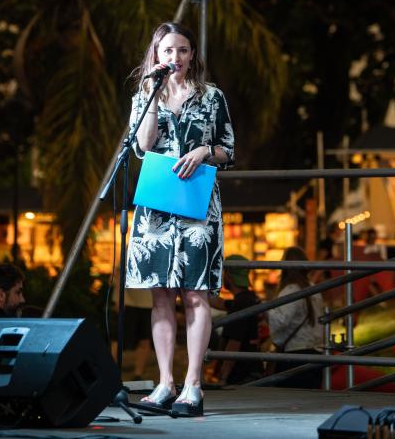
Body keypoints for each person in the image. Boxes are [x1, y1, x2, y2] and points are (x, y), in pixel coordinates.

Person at [126, 22, 235, 417]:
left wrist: (205, 150)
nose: (176, 58)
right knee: (160, 295)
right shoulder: (144, 94)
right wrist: (154, 96)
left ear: (193, 55)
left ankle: (193, 385)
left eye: (183, 50)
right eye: (168, 50)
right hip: (156, 206)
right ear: (156, 55)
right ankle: (164, 383)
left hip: (197, 203)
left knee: (195, 294)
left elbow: (229, 150)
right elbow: (142, 145)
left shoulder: (212, 97)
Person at [267, 247, 324, 389]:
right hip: (316, 353)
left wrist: (265, 311)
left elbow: (280, 321)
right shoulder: (313, 288)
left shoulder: (291, 290)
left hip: (294, 355)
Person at [213, 254, 262, 385]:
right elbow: (221, 303)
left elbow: (234, 344)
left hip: (240, 375)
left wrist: (223, 377)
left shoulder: (240, 304)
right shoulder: (250, 299)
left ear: (228, 275)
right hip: (253, 369)